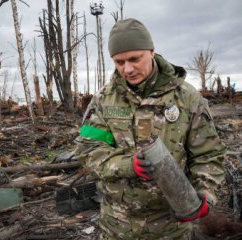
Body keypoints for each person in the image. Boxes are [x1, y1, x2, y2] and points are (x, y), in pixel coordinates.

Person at [74, 18, 225, 239]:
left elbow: (208, 154)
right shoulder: (104, 100)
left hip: (171, 228)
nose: (127, 69)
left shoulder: (186, 98)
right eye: (119, 62)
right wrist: (127, 165)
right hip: (117, 226)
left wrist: (205, 194)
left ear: (152, 51)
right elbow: (88, 149)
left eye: (135, 59)